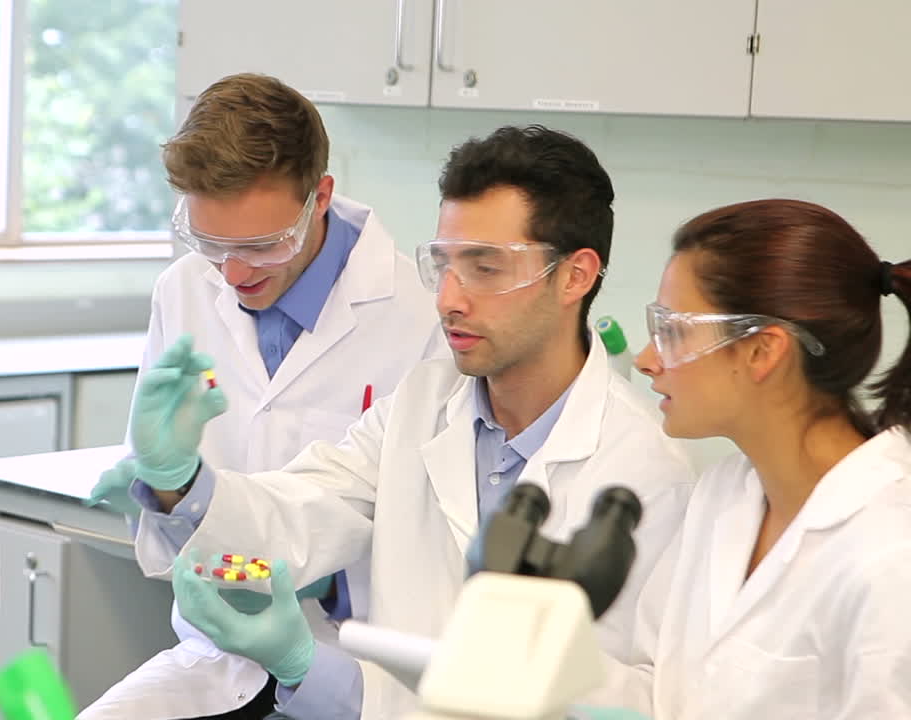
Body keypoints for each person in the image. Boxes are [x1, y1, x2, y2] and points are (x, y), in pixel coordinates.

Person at [126, 125, 697, 719]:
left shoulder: (647, 471)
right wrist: (181, 483)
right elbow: (303, 506)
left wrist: (313, 667)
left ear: (575, 276)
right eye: (444, 264)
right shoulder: (424, 402)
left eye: (485, 268)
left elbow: (639, 699)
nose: (449, 298)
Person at [80, 73, 443, 719]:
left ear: (320, 197)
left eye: (261, 245)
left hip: (358, 670)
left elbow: (421, 544)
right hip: (218, 656)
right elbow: (172, 553)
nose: (235, 273)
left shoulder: (421, 317)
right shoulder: (185, 289)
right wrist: (165, 489)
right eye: (211, 243)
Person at [590, 199, 911, 718]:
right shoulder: (724, 494)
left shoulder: (891, 554)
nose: (648, 361)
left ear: (763, 351)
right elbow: (660, 691)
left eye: (672, 332)